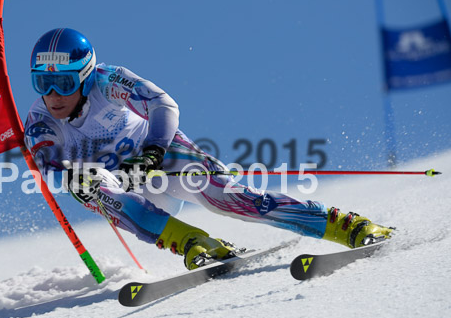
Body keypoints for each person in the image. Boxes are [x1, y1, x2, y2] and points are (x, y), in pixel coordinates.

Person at [24, 28, 393, 270]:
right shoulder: (40, 120)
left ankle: (345, 225)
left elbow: (163, 104)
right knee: (86, 183)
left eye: (64, 82)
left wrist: (152, 152)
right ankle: (193, 242)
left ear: (85, 75)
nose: (53, 95)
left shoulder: (107, 80)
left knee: (228, 198)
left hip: (158, 157)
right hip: (125, 188)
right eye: (43, 83)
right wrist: (71, 175)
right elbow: (49, 166)